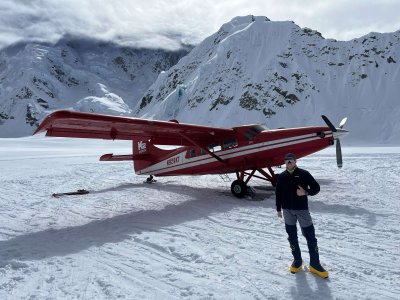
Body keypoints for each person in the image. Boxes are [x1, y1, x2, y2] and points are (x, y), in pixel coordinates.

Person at [275, 153, 329, 278]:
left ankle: (315, 264)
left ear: (295, 161)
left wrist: (305, 192)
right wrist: (278, 209)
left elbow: (316, 188)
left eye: (291, 161)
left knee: (310, 236)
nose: (289, 163)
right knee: (292, 236)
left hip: (302, 210)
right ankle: (297, 261)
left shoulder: (304, 174)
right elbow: (278, 193)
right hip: (287, 210)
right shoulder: (282, 176)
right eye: (286, 161)